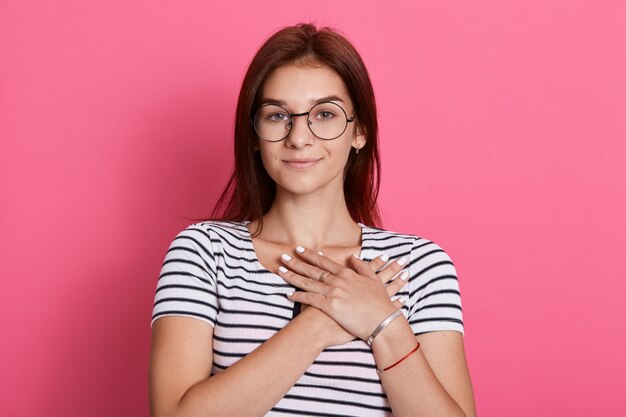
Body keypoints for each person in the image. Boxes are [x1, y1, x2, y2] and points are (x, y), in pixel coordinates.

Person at [149, 23, 476, 417]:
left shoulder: (419, 264)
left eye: (324, 114)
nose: (299, 137)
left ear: (360, 132)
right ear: (253, 134)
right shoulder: (204, 252)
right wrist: (319, 322)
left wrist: (383, 322)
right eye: (276, 115)